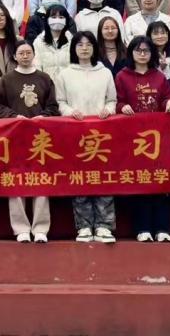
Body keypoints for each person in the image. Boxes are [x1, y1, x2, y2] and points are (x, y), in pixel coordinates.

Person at [56, 31, 117, 243]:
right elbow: (61, 102)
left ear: (94, 48)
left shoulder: (105, 73)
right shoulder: (65, 74)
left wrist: (109, 109)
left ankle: (104, 225)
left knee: (103, 178)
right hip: (76, 133)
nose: (84, 48)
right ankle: (83, 226)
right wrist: (69, 111)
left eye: (88, 44)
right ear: (73, 48)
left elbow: (112, 100)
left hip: (101, 134)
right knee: (79, 177)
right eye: (80, 44)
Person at [116, 36, 170, 242]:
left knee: (160, 182)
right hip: (133, 138)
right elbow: (116, 101)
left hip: (158, 138)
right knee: (139, 182)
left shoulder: (159, 77)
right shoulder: (122, 76)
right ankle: (142, 228)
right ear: (131, 53)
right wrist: (121, 106)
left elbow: (167, 98)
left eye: (146, 51)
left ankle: (162, 228)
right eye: (138, 50)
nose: (142, 54)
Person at [0, 40, 58, 243]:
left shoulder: (44, 78)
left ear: (33, 54)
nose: (24, 56)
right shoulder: (7, 79)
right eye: (21, 53)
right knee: (17, 181)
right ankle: (21, 228)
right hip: (15, 137)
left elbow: (53, 106)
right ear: (14, 56)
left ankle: (40, 228)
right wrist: (14, 117)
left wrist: (44, 117)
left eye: (28, 52)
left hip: (40, 139)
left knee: (40, 181)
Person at [32, 5, 73, 83]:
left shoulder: (72, 40)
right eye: (53, 17)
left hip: (68, 84)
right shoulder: (38, 42)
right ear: (47, 20)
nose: (57, 20)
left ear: (66, 20)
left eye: (61, 17)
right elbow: (37, 67)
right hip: (47, 85)